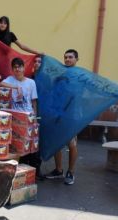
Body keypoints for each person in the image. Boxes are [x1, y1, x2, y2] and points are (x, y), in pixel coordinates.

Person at [0, 58, 42, 179]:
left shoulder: (31, 82)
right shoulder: (10, 79)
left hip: (28, 116)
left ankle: (33, 172)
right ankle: (17, 173)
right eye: (15, 67)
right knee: (17, 145)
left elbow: (34, 101)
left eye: (19, 66)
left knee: (30, 145)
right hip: (14, 117)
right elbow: (1, 83)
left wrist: (34, 116)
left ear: (24, 68)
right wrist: (16, 87)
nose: (17, 69)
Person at [45, 49, 79, 185]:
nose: (67, 59)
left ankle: (71, 172)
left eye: (70, 57)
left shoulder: (80, 76)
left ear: (77, 59)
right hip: (58, 114)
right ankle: (59, 170)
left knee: (72, 144)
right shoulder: (61, 74)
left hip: (72, 115)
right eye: (65, 57)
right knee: (57, 143)